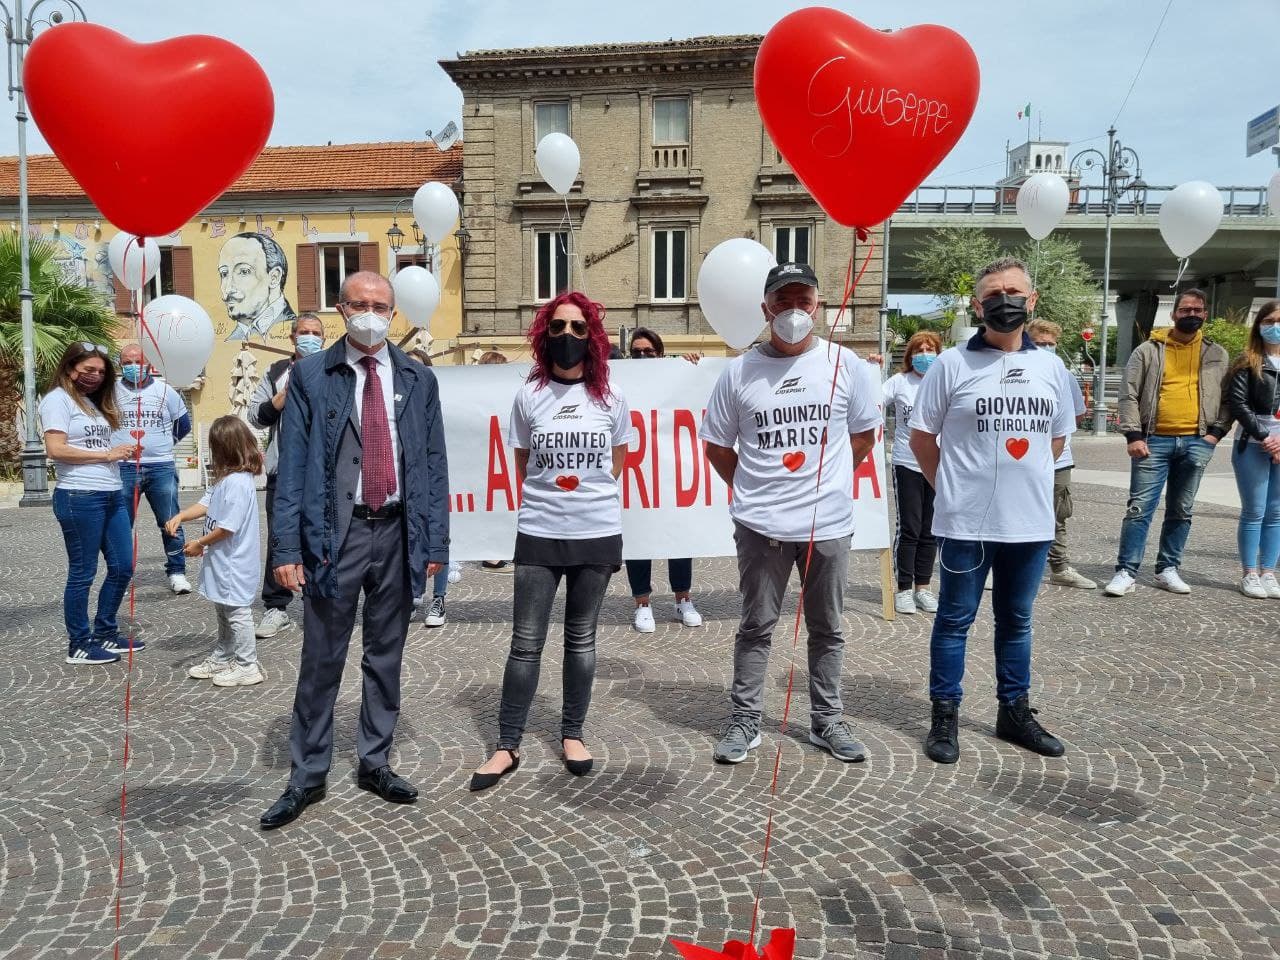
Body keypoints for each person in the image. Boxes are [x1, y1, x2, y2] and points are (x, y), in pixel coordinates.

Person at [260, 271, 450, 829]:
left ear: (393, 314)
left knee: (385, 656)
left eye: (381, 306)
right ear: (343, 309)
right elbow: (290, 466)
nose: (371, 314)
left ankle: (375, 760)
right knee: (321, 658)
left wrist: (435, 540)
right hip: (332, 536)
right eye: (361, 304)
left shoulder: (418, 379)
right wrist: (285, 547)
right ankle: (307, 773)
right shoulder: (312, 376)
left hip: (397, 531)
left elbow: (434, 465)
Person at [699, 262, 881, 765]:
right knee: (756, 626)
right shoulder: (738, 372)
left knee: (828, 628)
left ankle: (827, 721)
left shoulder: (847, 366)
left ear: (818, 306)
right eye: (783, 302)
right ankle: (744, 721)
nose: (794, 312)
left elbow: (864, 435)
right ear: (765, 309)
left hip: (829, 525)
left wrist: (829, 481)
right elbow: (717, 446)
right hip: (761, 526)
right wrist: (754, 488)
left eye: (804, 301)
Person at [909, 257, 1077, 765]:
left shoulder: (1052, 367)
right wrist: (952, 489)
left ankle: (1014, 711)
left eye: (1014, 291)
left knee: (1017, 621)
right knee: (955, 621)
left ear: (1032, 300)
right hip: (966, 522)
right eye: (993, 293)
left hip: (1029, 523)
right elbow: (922, 439)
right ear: (978, 305)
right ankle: (945, 715)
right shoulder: (951, 365)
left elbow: (1058, 439)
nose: (1004, 300)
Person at [469, 291, 632, 792]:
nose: (568, 336)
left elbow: (618, 461)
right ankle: (507, 743)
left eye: (579, 328)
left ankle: (572, 734)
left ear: (593, 337)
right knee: (526, 643)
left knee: (581, 640)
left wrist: (585, 498)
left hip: (596, 533)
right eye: (559, 327)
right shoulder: (529, 396)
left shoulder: (612, 398)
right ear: (545, 334)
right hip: (540, 532)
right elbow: (522, 463)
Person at [1105, 289, 1229, 596]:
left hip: (1197, 440)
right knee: (1139, 508)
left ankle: (1167, 569)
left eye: (1197, 310)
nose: (1191, 314)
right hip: (1152, 441)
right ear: (1173, 314)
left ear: (1205, 315)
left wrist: (1215, 434)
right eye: (1185, 309)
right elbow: (1128, 392)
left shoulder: (1217, 354)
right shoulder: (1148, 350)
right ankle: (1126, 570)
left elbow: (1228, 398)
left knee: (1182, 510)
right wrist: (1132, 434)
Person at [40, 342, 140, 665]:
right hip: (79, 495)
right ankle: (79, 643)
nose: (95, 376)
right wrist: (105, 454)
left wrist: (121, 448)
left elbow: (99, 443)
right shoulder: (57, 400)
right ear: (71, 369)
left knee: (124, 565)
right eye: (88, 371)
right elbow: (56, 449)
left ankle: (106, 632)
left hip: (110, 491)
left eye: (100, 371)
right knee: (83, 572)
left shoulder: (92, 403)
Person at [166, 416, 265, 686]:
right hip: (222, 560)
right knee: (223, 610)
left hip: (234, 561)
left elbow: (227, 528)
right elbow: (207, 503)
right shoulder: (226, 479)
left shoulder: (238, 483)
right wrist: (182, 516)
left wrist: (200, 544)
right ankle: (224, 655)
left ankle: (247, 664)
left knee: (237, 612)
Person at [249, 313, 326, 639]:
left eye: (315, 333)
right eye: (304, 332)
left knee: (323, 537)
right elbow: (256, 415)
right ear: (293, 338)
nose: (310, 337)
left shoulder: (333, 367)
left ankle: (319, 602)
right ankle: (276, 607)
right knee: (281, 536)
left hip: (325, 470)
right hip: (285, 470)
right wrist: (285, 393)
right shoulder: (276, 372)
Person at [624, 327, 703, 632]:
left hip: (671, 470)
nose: (642, 356)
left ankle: (683, 598)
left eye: (648, 351)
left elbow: (698, 393)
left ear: (660, 352)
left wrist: (689, 366)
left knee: (678, 535)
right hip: (637, 471)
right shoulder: (623, 381)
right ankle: (642, 604)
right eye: (636, 352)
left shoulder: (674, 375)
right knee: (639, 539)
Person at [113, 343, 193, 595]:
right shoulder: (111, 392)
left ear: (148, 364)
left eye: (137, 361)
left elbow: (183, 425)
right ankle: (121, 575)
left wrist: (164, 444)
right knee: (121, 524)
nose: (132, 366)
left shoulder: (165, 391)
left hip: (161, 467)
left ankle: (177, 572)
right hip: (124, 468)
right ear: (120, 365)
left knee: (171, 521)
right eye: (127, 362)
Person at [1026, 319, 1095, 589]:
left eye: (1050, 344)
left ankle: (1059, 566)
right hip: (1020, 458)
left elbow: (1076, 415)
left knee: (1057, 514)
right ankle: (1001, 567)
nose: (1045, 348)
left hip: (1059, 459)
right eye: (1039, 343)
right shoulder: (1014, 370)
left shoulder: (1064, 376)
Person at [882, 331, 942, 615]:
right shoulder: (900, 382)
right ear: (910, 355)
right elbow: (873, 399)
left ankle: (924, 588)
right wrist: (871, 369)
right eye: (920, 349)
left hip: (938, 463)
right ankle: (904, 588)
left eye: (931, 348)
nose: (925, 353)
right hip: (907, 461)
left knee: (931, 528)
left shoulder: (944, 382)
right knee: (910, 527)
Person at [1224, 300, 1280, 599]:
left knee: (1276, 512)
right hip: (1253, 442)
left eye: (1279, 320)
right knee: (1254, 510)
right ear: (1259, 324)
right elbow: (1238, 404)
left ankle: (1269, 572)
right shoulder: (1248, 360)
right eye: (1269, 320)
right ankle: (1249, 573)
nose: (1274, 326)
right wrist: (1266, 437)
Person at [477, 350, 515, 573]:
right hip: (493, 458)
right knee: (493, 503)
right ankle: (492, 557)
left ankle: (496, 553)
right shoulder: (491, 394)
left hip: (499, 456)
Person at [220, 232, 297, 341]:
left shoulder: (297, 331)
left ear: (274, 277)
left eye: (244, 271)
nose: (228, 289)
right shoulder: (231, 341)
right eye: (224, 273)